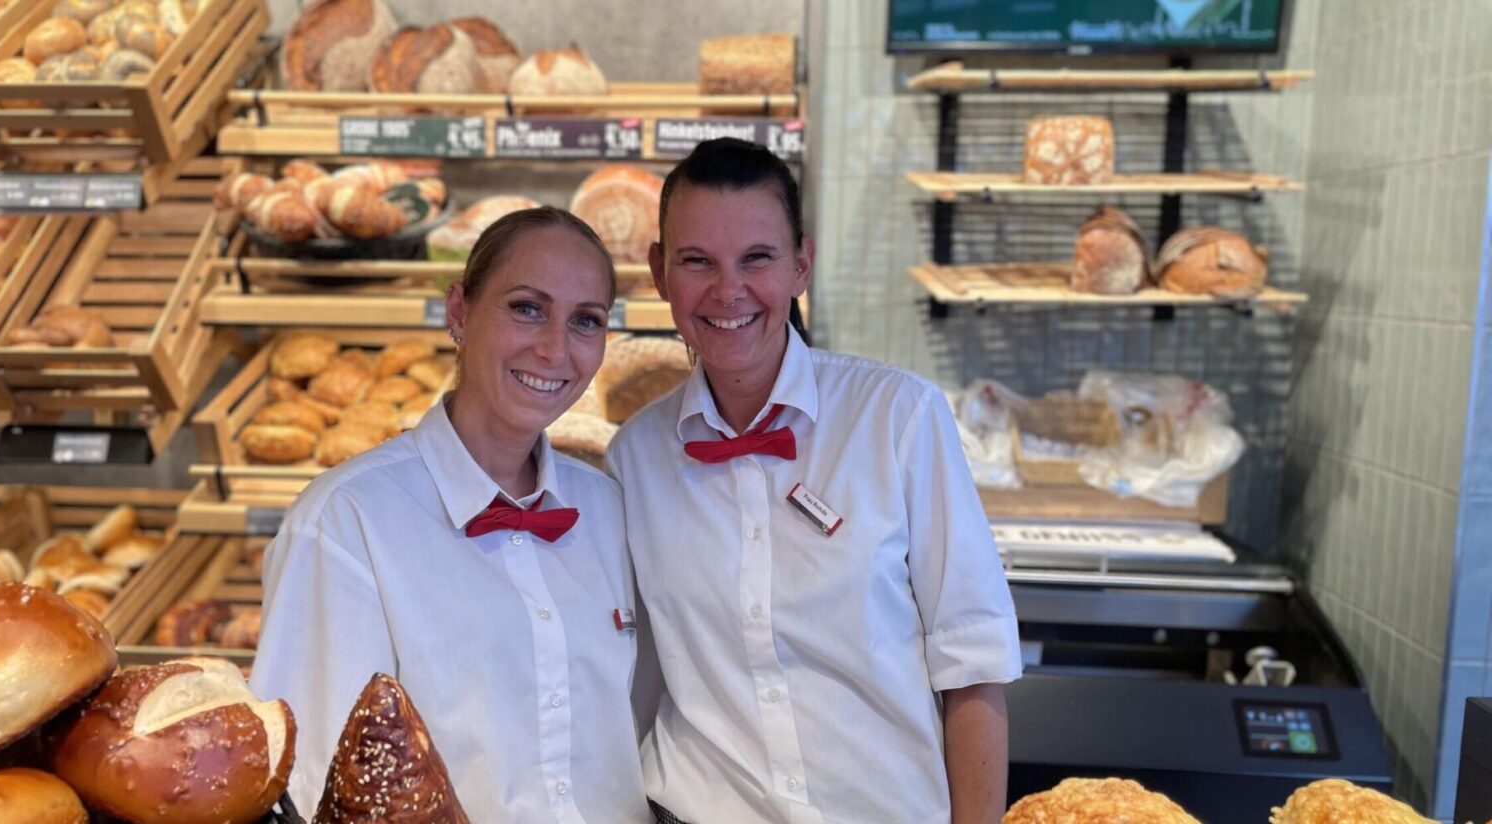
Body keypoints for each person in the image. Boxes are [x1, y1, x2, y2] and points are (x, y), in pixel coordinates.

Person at [606, 138, 1022, 824]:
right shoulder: (633, 459)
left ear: (801, 263)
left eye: (757, 258)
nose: (728, 290)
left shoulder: (899, 418)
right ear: (659, 271)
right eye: (697, 261)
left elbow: (972, 663)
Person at [252, 206, 653, 823]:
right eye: (527, 308)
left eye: (586, 321)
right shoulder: (346, 522)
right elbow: (312, 785)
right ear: (460, 312)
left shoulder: (608, 510)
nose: (555, 349)